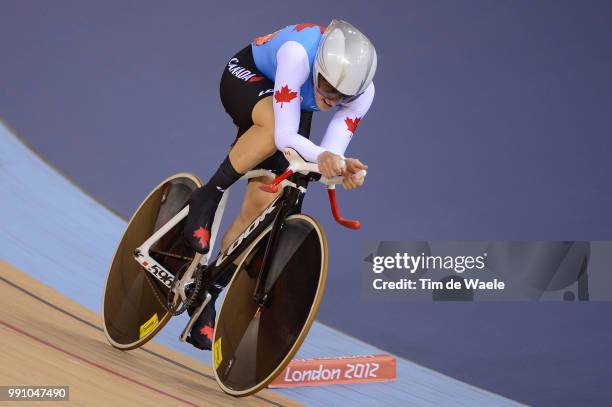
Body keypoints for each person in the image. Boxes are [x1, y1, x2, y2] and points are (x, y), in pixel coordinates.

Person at [183, 19, 377, 350]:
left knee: (264, 207)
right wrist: (329, 159)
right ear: (318, 67)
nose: (331, 100)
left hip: (292, 100)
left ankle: (204, 292)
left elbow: (329, 153)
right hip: (249, 77)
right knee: (275, 129)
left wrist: (342, 168)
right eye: (327, 88)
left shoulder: (363, 94)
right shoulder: (297, 55)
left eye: (342, 96)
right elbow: (286, 136)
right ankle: (207, 196)